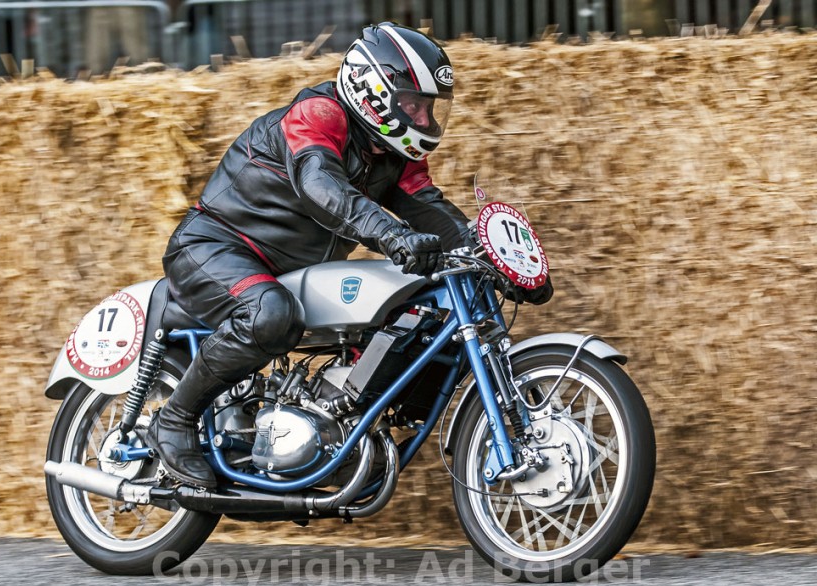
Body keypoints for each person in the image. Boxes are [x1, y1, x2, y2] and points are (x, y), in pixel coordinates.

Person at [145, 22, 553, 488]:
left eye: (429, 109)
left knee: (411, 314)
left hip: (291, 271)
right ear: (374, 91)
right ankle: (173, 421)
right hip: (217, 247)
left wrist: (498, 259)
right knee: (269, 312)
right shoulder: (317, 115)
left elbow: (429, 209)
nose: (423, 120)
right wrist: (391, 236)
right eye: (413, 106)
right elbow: (322, 186)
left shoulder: (395, 154)